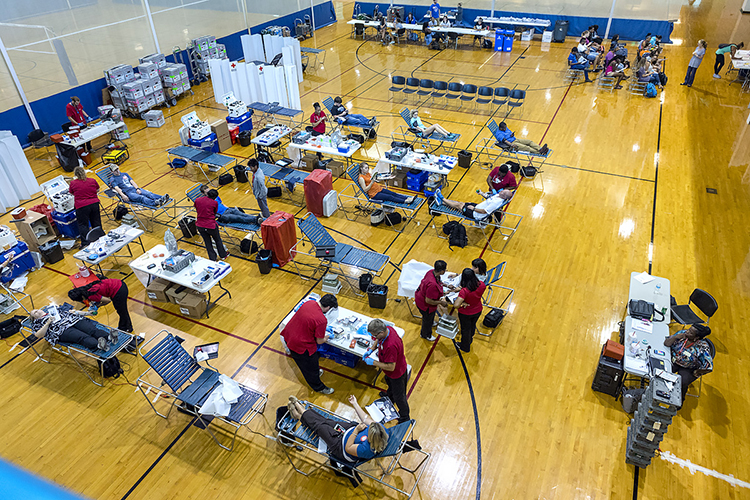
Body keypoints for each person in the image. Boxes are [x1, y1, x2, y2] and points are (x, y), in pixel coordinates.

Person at [286, 394, 389, 463]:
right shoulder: (381, 429)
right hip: (349, 430)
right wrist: (355, 404)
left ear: (371, 438)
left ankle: (299, 411)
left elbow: (348, 448)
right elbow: (365, 418)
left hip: (340, 446)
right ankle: (300, 413)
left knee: (321, 427)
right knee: (326, 421)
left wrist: (356, 431)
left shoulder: (366, 450)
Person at [281, 294, 338, 394]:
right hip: (300, 347)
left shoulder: (309, 303)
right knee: (308, 368)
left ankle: (315, 372)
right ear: (328, 308)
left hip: (289, 336)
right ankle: (318, 387)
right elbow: (319, 341)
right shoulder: (321, 320)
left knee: (314, 361)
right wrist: (328, 336)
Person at [364, 319, 410, 423]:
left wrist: (373, 362)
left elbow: (391, 367)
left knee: (400, 397)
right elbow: (378, 340)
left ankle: (405, 416)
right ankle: (390, 398)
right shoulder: (387, 329)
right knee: (390, 385)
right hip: (390, 373)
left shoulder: (390, 346)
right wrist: (371, 349)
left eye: (375, 335)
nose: (374, 338)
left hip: (397, 374)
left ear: (381, 332)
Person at [28, 307, 117, 352]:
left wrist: (88, 313)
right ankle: (99, 345)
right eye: (34, 312)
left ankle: (109, 337)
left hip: (74, 320)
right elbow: (38, 335)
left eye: (37, 309)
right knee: (82, 337)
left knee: (92, 330)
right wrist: (47, 323)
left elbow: (73, 312)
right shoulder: (37, 323)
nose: (38, 311)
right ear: (34, 318)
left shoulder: (54, 310)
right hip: (61, 330)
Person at [663, 324, 714, 402]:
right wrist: (675, 337)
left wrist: (697, 372)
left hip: (688, 368)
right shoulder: (682, 334)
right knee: (662, 370)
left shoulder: (702, 347)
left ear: (696, 338)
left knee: (681, 383)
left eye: (690, 332)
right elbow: (666, 343)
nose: (687, 332)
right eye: (689, 329)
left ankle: (679, 401)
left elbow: (709, 366)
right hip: (674, 360)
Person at [68, 278, 132, 333]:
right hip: (118, 283)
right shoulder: (85, 289)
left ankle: (126, 328)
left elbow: (108, 300)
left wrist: (99, 306)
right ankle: (125, 327)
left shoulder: (91, 295)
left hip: (118, 290)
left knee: (122, 311)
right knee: (122, 311)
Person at [452, 268, 486, 353]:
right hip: (478, 310)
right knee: (472, 326)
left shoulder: (464, 291)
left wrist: (463, 302)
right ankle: (470, 339)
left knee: (465, 330)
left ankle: (465, 347)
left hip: (466, 313)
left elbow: (456, 305)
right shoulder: (482, 284)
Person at [414, 260, 450, 341]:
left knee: (430, 318)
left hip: (420, 296)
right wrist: (441, 302)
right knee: (427, 321)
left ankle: (431, 321)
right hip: (425, 305)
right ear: (441, 271)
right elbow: (428, 301)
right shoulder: (432, 285)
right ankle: (426, 335)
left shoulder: (431, 272)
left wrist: (447, 285)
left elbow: (439, 282)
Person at [434, 187, 513, 222]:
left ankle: (442, 199)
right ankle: (442, 203)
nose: (501, 191)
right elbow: (488, 197)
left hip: (476, 214)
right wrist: (481, 193)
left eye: (503, 192)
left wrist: (473, 208)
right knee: (460, 203)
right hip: (477, 206)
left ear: (504, 196)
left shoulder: (497, 203)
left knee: (459, 206)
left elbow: (484, 212)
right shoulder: (498, 195)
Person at [68, 166, 101, 248]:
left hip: (81, 206)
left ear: (75, 174)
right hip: (94, 204)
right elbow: (97, 190)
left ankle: (85, 243)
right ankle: (99, 238)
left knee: (83, 225)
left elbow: (72, 193)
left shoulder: (73, 183)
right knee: (96, 222)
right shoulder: (92, 180)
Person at [199, 185, 264, 226]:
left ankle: (256, 218)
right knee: (239, 218)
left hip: (227, 209)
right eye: (207, 193)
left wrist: (228, 208)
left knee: (242, 214)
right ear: (203, 194)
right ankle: (256, 220)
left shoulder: (215, 195)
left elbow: (221, 203)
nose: (209, 193)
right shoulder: (206, 202)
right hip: (223, 215)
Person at [194, 187, 228, 262]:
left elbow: (196, 208)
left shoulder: (197, 200)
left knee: (207, 242)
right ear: (215, 197)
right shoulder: (214, 203)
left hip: (200, 225)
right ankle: (223, 255)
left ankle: (212, 258)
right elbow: (214, 212)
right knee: (217, 240)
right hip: (211, 225)